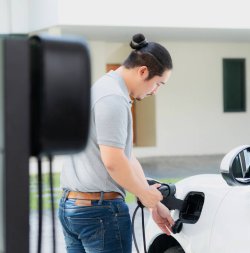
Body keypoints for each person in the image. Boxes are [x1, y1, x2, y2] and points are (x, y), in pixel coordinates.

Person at [58, 33, 174, 253]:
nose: (155, 91)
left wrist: (153, 203)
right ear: (143, 71)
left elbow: (126, 156)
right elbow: (113, 161)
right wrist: (146, 196)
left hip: (74, 207)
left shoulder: (103, 87)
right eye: (158, 84)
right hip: (100, 213)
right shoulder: (113, 99)